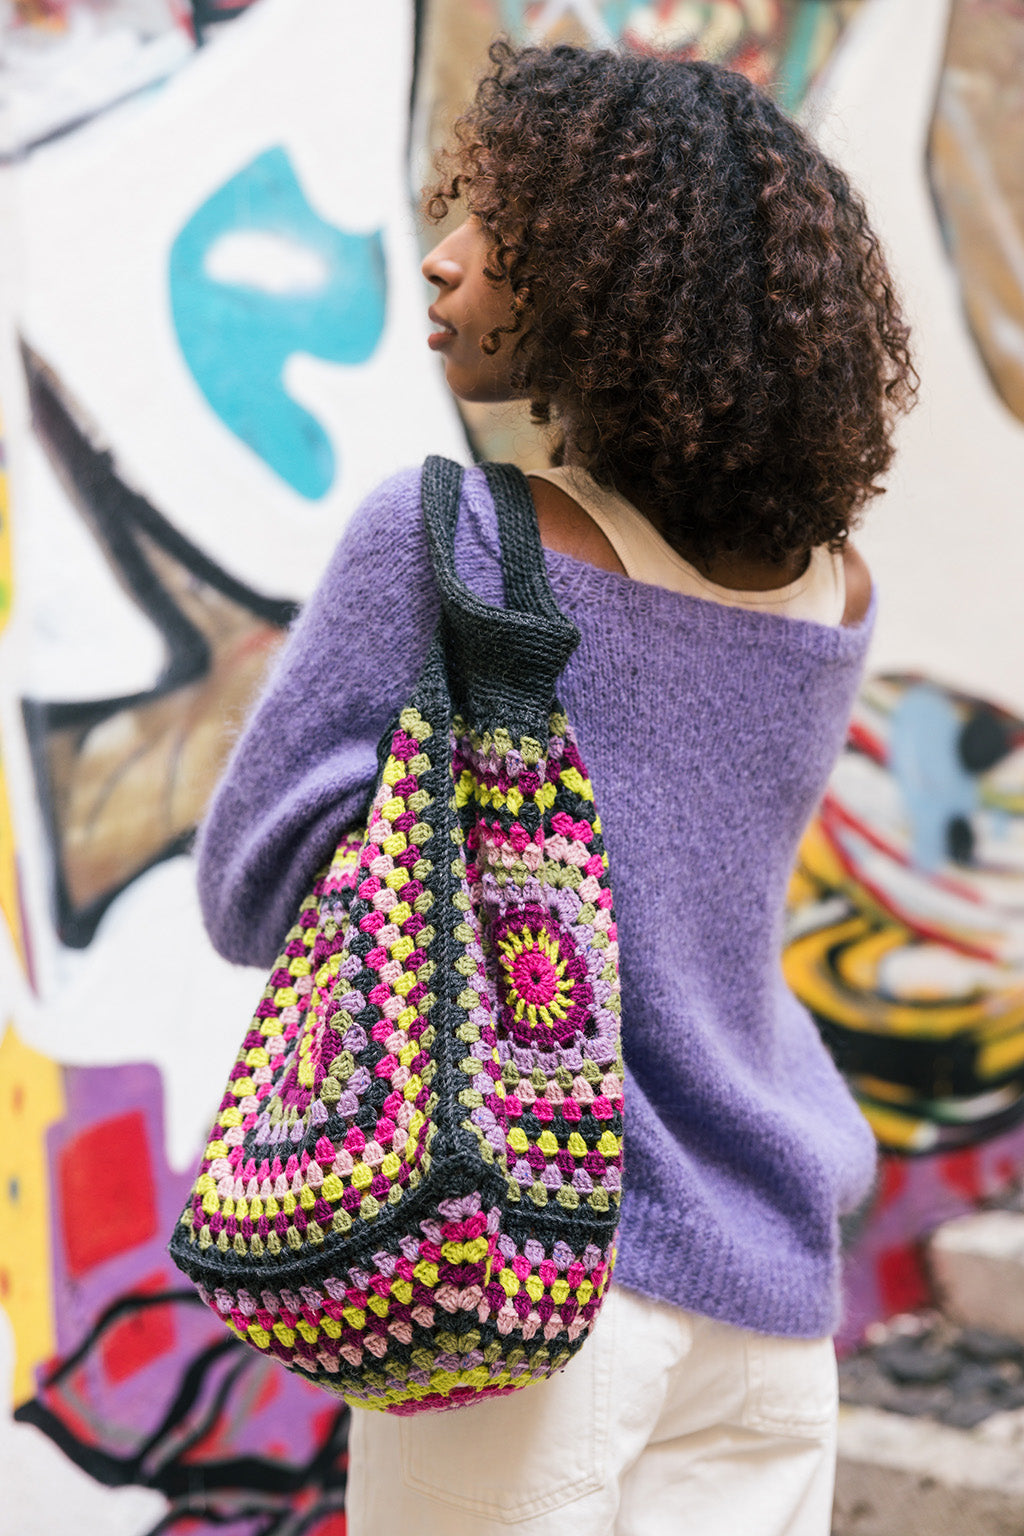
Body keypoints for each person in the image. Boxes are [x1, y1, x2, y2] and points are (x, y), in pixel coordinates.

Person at [196, 41, 917, 1536]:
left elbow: (251, 890)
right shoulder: (833, 593)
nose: (443, 258)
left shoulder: (455, 539)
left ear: (619, 279)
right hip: (775, 1304)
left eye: (501, 227)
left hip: (523, 1275)